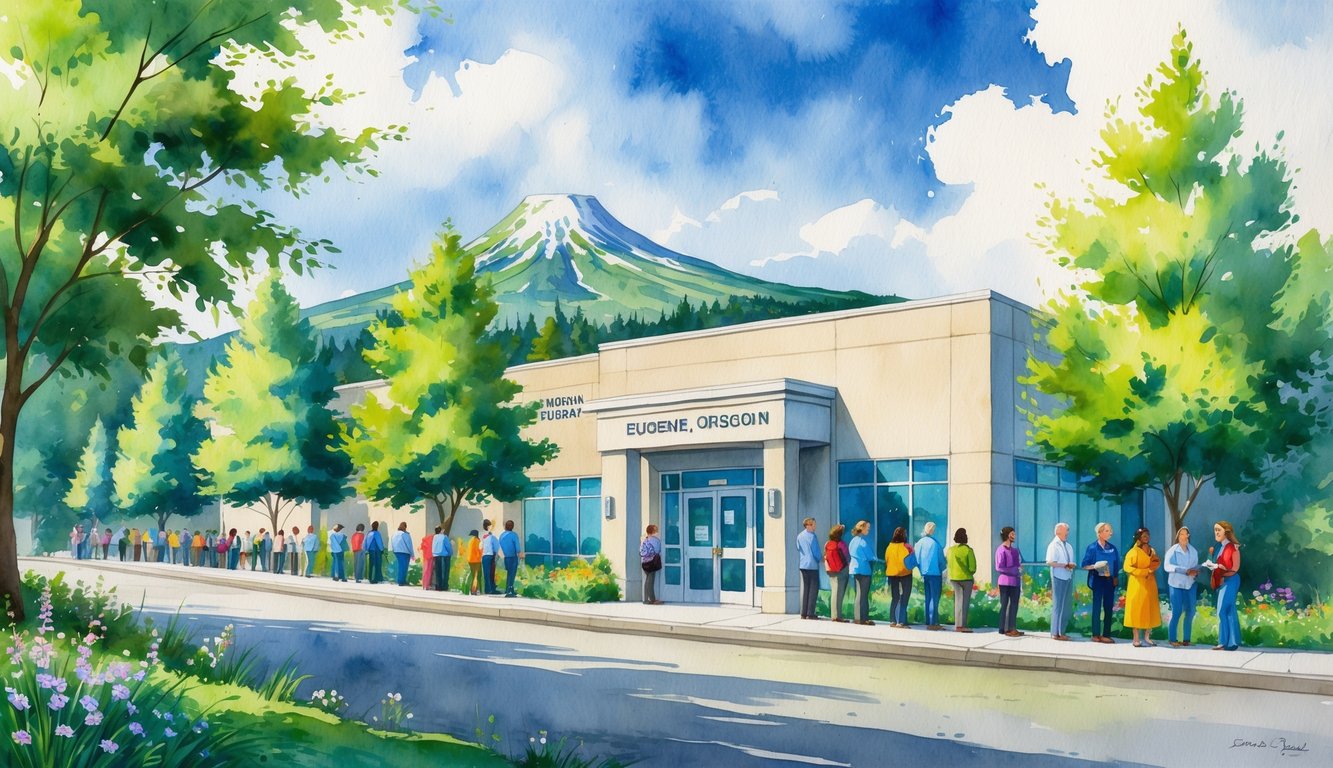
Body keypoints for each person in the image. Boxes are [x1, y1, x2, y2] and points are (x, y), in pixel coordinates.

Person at [1080, 522, 1121, 644]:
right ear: (1100, 533)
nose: (1110, 533)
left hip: (1109, 580)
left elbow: (1116, 564)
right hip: (1097, 580)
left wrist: (1115, 577)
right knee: (1097, 607)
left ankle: (1106, 634)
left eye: (1110, 530)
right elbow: (1084, 565)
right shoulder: (1092, 548)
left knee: (1108, 607)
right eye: (1107, 531)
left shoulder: (1113, 548)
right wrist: (1095, 566)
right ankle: (1096, 634)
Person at [1123, 527, 1162, 647]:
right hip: (1137, 584)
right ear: (1139, 537)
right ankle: (1136, 638)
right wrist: (1143, 572)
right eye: (1144, 536)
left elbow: (1156, 561)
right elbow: (1127, 567)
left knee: (1150, 609)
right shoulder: (1133, 552)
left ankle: (1147, 636)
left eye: (1148, 535)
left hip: (1150, 584)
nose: (1147, 537)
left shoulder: (1151, 550)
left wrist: (1151, 569)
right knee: (1137, 609)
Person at [1163, 526, 1200, 647]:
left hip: (1190, 585)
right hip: (1176, 585)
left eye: (1186, 534)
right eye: (1182, 534)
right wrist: (1184, 571)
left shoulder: (1193, 551)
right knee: (1177, 611)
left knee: (1190, 611)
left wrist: (1196, 571)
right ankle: (1172, 638)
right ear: (1178, 537)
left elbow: (1195, 566)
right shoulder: (1173, 550)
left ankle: (1186, 639)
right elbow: (1167, 566)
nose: (1184, 537)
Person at [1210, 521, 1242, 651]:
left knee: (1222, 610)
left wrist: (1223, 572)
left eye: (1219, 530)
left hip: (1230, 580)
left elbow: (1235, 567)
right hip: (1223, 581)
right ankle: (1232, 642)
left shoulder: (1233, 547)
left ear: (1226, 532)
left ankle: (1223, 642)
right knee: (1229, 610)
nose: (1216, 532)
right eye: (1215, 530)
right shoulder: (1219, 547)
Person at [1045, 522, 1076, 641]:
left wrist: (1070, 566)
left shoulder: (1068, 546)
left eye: (1067, 530)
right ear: (1058, 532)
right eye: (1065, 530)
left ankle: (1061, 631)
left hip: (1068, 576)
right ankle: (1055, 632)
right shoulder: (1053, 545)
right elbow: (1050, 562)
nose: (1067, 532)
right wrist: (1064, 565)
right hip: (1058, 577)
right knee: (1058, 605)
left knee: (1066, 605)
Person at [915, 522, 946, 630]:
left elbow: (917, 560)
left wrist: (921, 570)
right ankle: (933, 623)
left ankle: (928, 620)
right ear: (933, 530)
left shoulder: (919, 543)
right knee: (934, 597)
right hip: (935, 573)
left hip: (925, 573)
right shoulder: (936, 544)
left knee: (928, 597)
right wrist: (941, 569)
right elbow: (942, 561)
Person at [946, 527, 976, 633]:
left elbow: (948, 563)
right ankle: (962, 626)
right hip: (966, 579)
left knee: (958, 601)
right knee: (965, 602)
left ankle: (957, 625)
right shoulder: (968, 550)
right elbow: (973, 568)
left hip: (954, 578)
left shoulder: (950, 550)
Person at [995, 526, 1023, 637]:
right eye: (1012, 533)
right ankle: (1004, 628)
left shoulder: (1015, 551)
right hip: (1005, 582)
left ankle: (1012, 628)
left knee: (1014, 605)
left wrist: (1018, 569)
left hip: (1015, 582)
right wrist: (1015, 570)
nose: (1014, 536)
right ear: (1007, 535)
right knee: (1005, 604)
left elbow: (1018, 564)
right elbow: (999, 567)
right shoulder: (1000, 550)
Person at [884, 527, 914, 628]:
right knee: (904, 598)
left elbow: (886, 560)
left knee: (895, 598)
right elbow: (913, 561)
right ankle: (901, 621)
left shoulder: (889, 547)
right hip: (905, 574)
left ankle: (892, 620)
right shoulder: (907, 547)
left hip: (892, 574)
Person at [848, 521, 874, 625]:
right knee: (864, 595)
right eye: (867, 527)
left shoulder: (852, 541)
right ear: (862, 528)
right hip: (864, 570)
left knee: (858, 594)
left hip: (855, 570)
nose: (868, 529)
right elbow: (870, 556)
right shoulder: (862, 542)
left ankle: (857, 617)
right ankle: (864, 618)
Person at [824, 524, 850, 622]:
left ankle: (833, 615)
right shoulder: (841, 544)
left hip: (831, 571)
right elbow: (847, 557)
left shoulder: (827, 544)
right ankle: (837, 616)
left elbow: (825, 557)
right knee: (839, 594)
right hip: (842, 570)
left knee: (834, 592)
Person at [796, 517, 820, 619]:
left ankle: (803, 613)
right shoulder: (813, 537)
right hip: (812, 565)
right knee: (813, 589)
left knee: (806, 589)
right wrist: (821, 559)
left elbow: (798, 548)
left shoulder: (800, 536)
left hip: (803, 565)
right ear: (808, 525)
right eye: (813, 524)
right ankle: (810, 613)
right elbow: (816, 552)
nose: (815, 526)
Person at [640, 524, 664, 605]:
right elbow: (657, 551)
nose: (657, 531)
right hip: (652, 562)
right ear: (653, 531)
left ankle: (645, 599)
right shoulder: (656, 540)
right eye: (656, 530)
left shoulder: (644, 540)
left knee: (647, 581)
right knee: (650, 581)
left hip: (644, 562)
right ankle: (652, 600)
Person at [499, 520, 521, 597]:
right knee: (512, 574)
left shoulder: (501, 536)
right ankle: (509, 591)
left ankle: (509, 589)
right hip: (513, 557)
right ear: (512, 526)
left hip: (506, 557)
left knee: (509, 574)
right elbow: (518, 548)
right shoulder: (514, 535)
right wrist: (520, 555)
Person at [391, 522, 413, 587]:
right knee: (404, 567)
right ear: (405, 527)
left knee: (400, 566)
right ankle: (401, 581)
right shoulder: (405, 534)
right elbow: (409, 545)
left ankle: (400, 580)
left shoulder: (395, 534)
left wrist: (394, 550)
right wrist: (412, 553)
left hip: (397, 551)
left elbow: (392, 542)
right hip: (405, 552)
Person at [481, 520, 499, 594]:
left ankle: (487, 589)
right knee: (491, 573)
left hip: (484, 556)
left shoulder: (482, 536)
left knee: (486, 573)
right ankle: (492, 589)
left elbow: (480, 547)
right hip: (491, 556)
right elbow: (496, 547)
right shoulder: (492, 537)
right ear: (488, 527)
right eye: (491, 526)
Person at [432, 526, 452, 591]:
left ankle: (438, 586)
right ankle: (444, 586)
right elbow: (448, 547)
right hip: (444, 556)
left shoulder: (434, 537)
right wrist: (450, 553)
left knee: (437, 572)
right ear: (441, 531)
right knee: (444, 572)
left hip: (436, 555)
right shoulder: (444, 537)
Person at [466, 529, 483, 595]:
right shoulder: (478, 541)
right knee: (476, 576)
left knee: (473, 576)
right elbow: (479, 551)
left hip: (470, 560)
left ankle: (474, 589)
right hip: (476, 560)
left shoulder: (470, 541)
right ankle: (474, 590)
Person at [420, 527, 435, 591]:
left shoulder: (426, 539)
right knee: (429, 571)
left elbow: (422, 547)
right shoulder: (433, 539)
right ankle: (427, 585)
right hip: (430, 556)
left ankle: (424, 585)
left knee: (425, 570)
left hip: (425, 556)